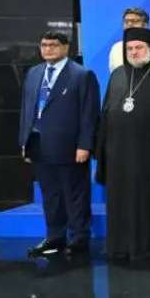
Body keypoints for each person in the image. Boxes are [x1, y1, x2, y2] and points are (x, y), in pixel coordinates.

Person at [96, 27, 150, 261]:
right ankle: (120, 246)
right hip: (119, 155)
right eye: (130, 49)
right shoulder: (117, 76)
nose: (134, 52)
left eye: (138, 48)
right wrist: (102, 149)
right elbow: (106, 114)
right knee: (120, 202)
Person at [19, 31, 100, 257]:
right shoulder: (34, 73)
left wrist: (85, 145)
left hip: (70, 147)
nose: (48, 49)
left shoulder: (82, 75)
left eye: (54, 45)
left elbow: (89, 114)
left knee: (75, 195)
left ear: (66, 48)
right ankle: (55, 237)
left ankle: (78, 238)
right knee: (50, 195)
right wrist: (24, 141)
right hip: (39, 145)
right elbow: (27, 110)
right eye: (44, 45)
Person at [108, 7, 150, 72]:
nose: (129, 24)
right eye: (126, 22)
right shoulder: (116, 49)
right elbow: (115, 75)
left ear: (145, 25)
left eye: (134, 21)